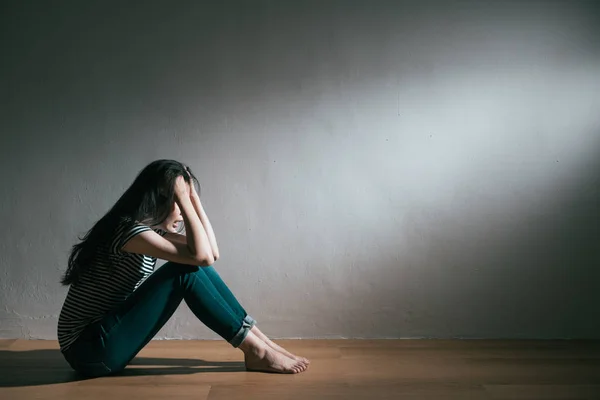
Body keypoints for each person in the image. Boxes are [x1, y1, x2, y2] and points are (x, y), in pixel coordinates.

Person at [57, 159, 309, 377]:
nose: (181, 212)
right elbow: (202, 257)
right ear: (159, 200)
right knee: (182, 271)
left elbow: (211, 253)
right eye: (177, 202)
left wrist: (192, 198)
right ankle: (256, 350)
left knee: (194, 267)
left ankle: (262, 343)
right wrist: (185, 201)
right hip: (88, 352)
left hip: (102, 343)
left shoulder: (148, 232)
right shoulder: (129, 232)